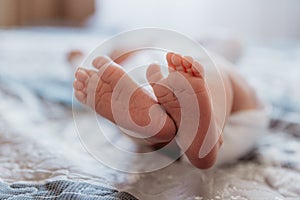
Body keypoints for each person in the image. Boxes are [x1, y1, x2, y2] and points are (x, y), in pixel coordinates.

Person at [73, 51, 267, 169]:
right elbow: (233, 42)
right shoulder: (132, 66)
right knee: (212, 66)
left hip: (175, 148)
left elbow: (83, 70)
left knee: (136, 118)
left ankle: (157, 126)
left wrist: (77, 58)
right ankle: (190, 130)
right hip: (239, 127)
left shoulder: (137, 59)